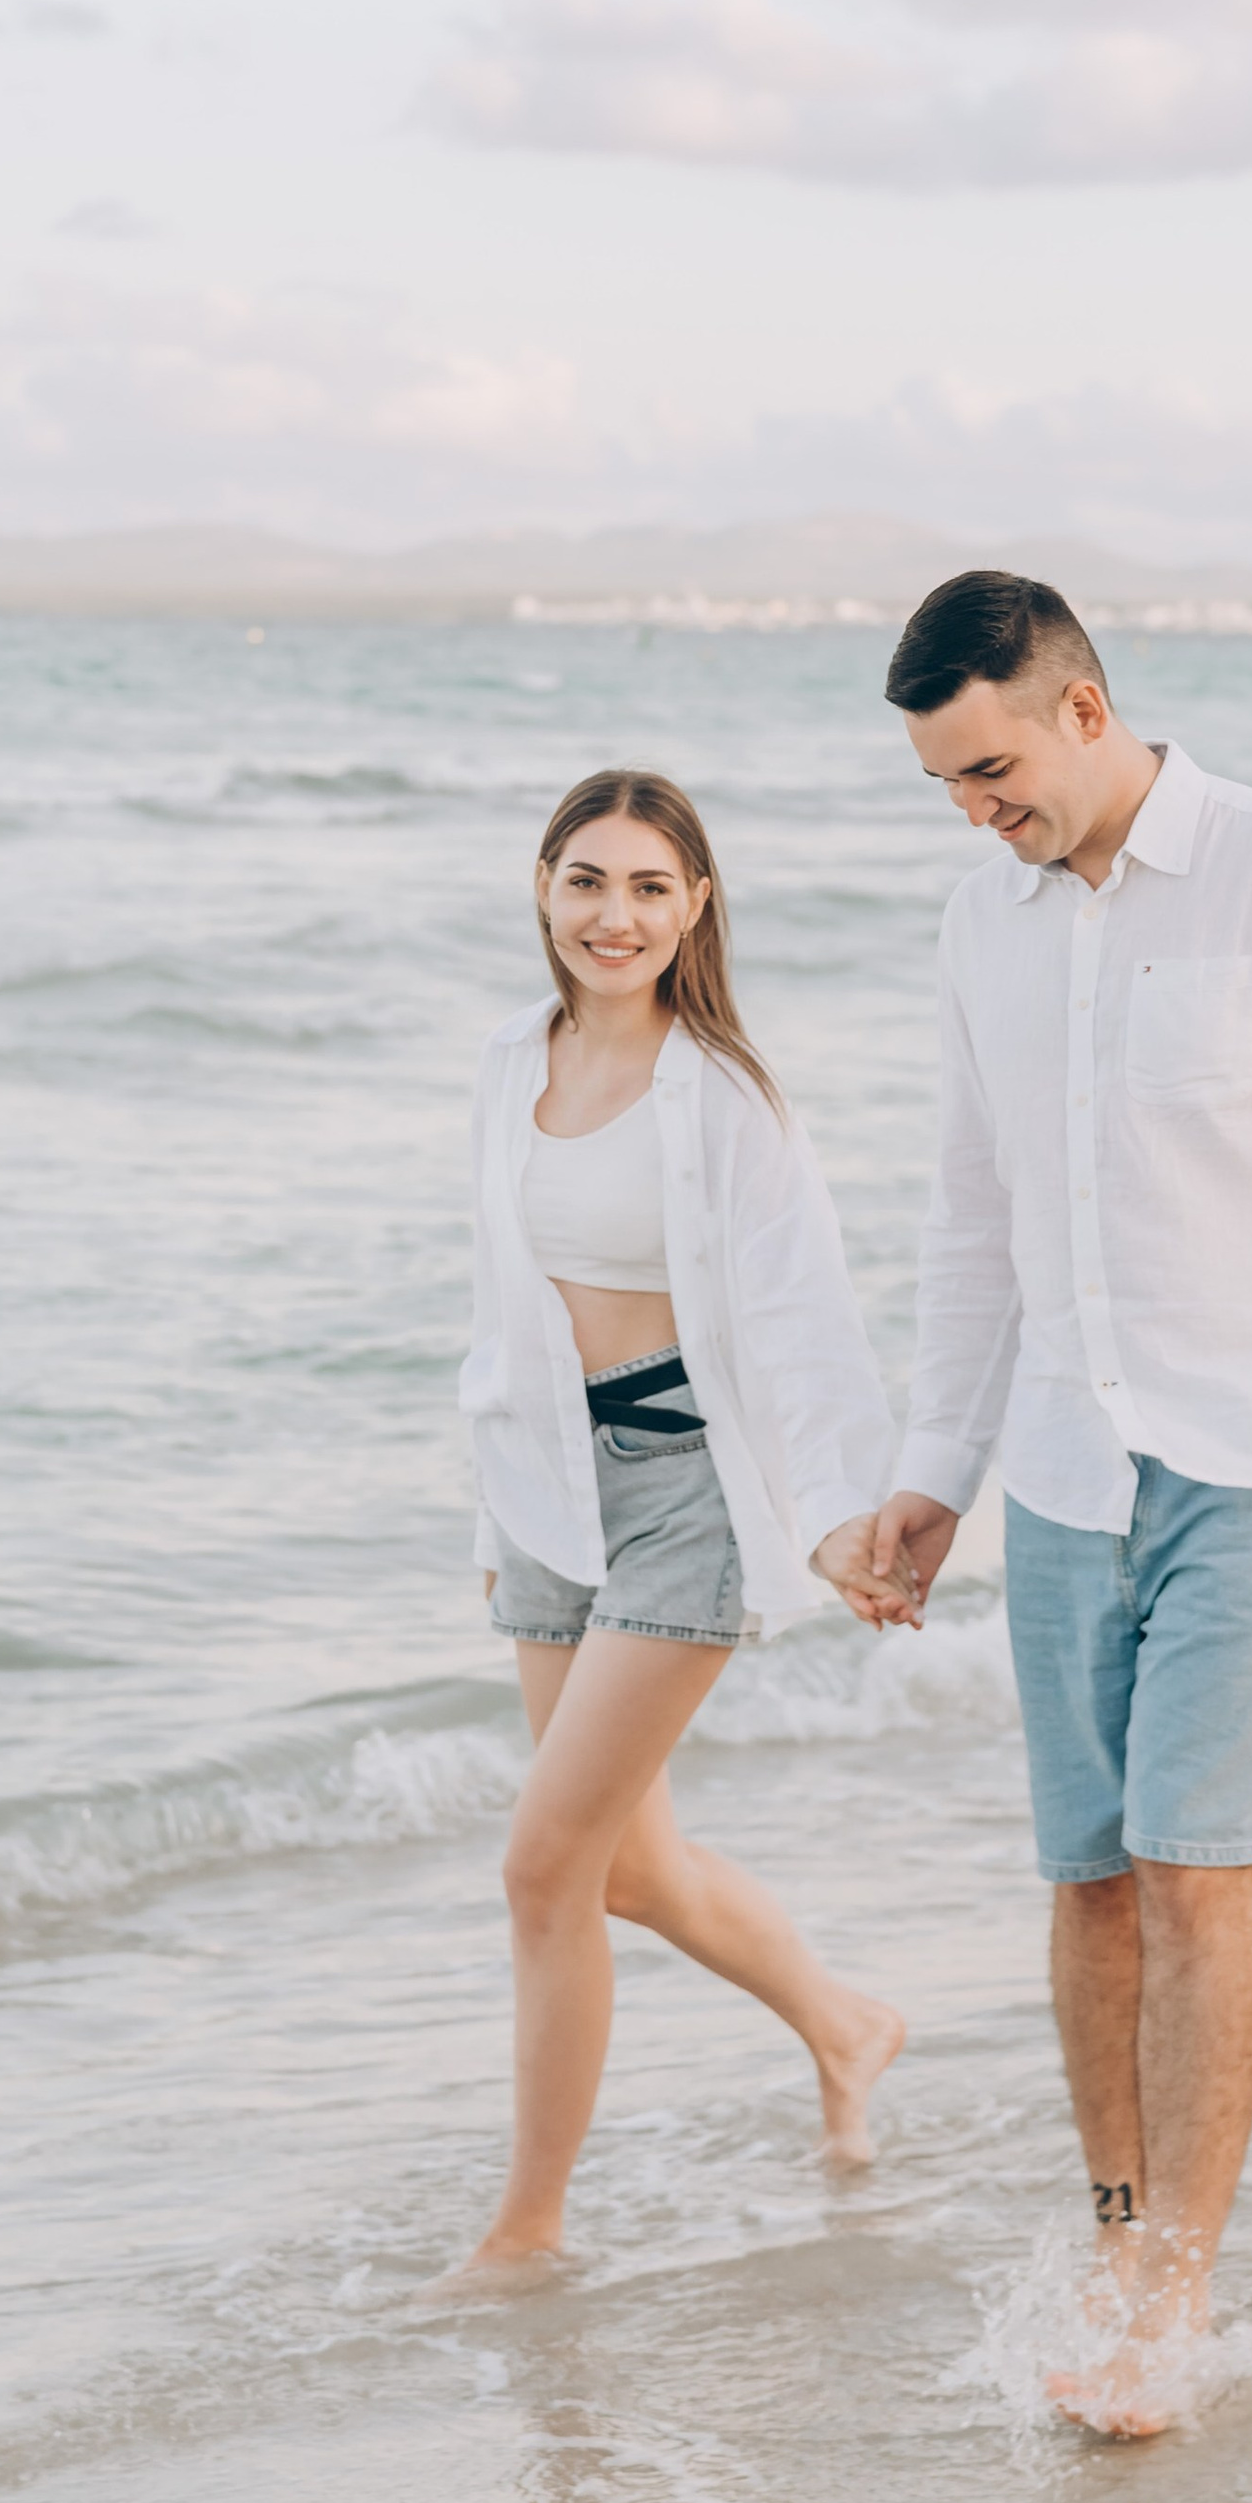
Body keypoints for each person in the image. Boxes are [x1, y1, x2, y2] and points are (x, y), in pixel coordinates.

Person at [826, 574, 1252, 2433]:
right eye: (944, 787)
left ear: (1084, 707)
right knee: (1094, 1877)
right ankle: (1120, 2243)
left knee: (1199, 1864)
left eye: (990, 772)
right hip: (1064, 1462)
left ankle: (1175, 2299)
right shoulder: (982, 923)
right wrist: (933, 1474)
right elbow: (974, 1219)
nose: (975, 813)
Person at [452, 766, 906, 2276]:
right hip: (543, 1492)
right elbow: (503, 1307)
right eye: (587, 880)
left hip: (683, 1498)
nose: (616, 915)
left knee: (544, 1870)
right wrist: (495, 1512)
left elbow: (803, 1315)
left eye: (650, 887)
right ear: (543, 888)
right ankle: (846, 2024)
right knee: (628, 1871)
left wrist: (839, 1518)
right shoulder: (507, 1061)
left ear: (696, 906)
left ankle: (527, 2233)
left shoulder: (722, 1098)